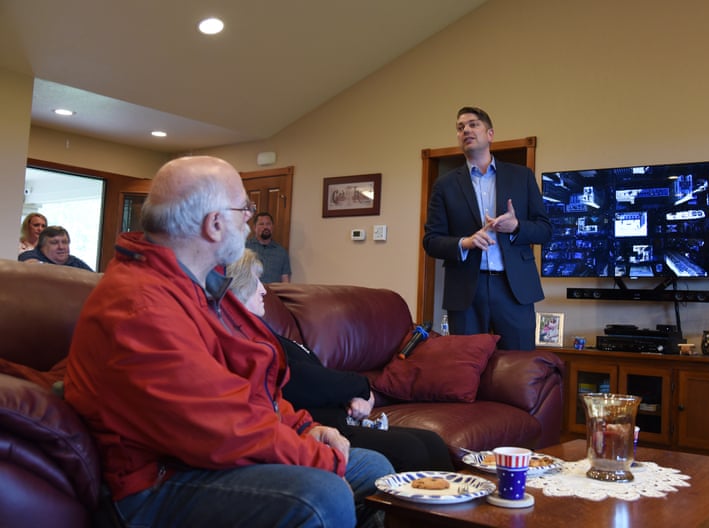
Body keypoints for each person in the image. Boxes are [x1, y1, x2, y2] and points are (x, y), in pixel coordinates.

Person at [63, 156, 392, 528]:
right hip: (157, 483)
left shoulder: (194, 286)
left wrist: (304, 428)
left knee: (374, 468)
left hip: (199, 458)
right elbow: (221, 428)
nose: (250, 222)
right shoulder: (141, 306)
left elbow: (245, 391)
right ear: (215, 224)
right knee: (322, 495)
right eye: (245, 210)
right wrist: (323, 462)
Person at [227, 249, 455, 473]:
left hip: (342, 416)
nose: (263, 290)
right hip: (323, 425)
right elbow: (302, 380)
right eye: (256, 281)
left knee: (432, 441)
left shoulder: (267, 334)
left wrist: (358, 394)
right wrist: (362, 386)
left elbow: (320, 378)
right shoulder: (246, 341)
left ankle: (455, 510)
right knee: (412, 450)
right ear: (238, 288)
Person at [423, 106, 551, 350]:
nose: (466, 130)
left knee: (519, 368)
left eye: (473, 124)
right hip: (466, 291)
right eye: (460, 128)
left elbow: (545, 230)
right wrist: (465, 243)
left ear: (490, 134)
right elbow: (431, 240)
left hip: (514, 288)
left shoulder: (522, 176)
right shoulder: (445, 185)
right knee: (467, 369)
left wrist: (516, 227)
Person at [18, 225, 93, 271]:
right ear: (42, 246)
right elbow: (32, 267)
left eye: (64, 242)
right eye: (54, 243)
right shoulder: (29, 256)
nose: (61, 247)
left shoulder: (75, 262)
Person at [246, 211, 292, 282]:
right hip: (249, 292)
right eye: (261, 224)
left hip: (273, 292)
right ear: (255, 228)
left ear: (272, 227)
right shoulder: (245, 248)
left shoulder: (281, 252)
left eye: (268, 224)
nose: (265, 227)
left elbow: (285, 279)